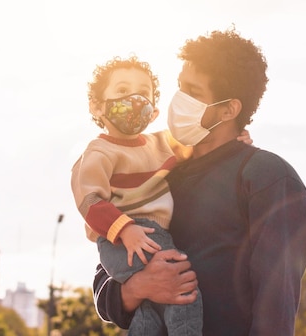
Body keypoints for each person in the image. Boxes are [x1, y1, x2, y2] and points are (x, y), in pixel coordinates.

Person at [92, 28, 306, 336]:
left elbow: (276, 307)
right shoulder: (156, 174)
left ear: (228, 109)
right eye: (180, 87)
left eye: (193, 93)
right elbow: (105, 278)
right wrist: (138, 288)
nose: (179, 100)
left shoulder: (267, 177)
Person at [71, 56, 252, 335]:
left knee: (150, 309)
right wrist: (125, 229)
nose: (133, 99)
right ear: (96, 105)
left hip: (149, 235)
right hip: (124, 239)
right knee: (184, 290)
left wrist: (236, 143)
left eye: (143, 93)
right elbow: (90, 201)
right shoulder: (98, 153)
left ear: (154, 111)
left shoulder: (160, 144)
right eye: (121, 91)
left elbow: (202, 146)